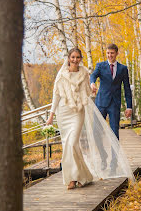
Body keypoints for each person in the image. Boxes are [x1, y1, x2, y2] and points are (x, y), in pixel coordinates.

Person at [46, 47, 133, 190]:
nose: (75, 60)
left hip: (79, 112)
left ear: (80, 59)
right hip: (64, 112)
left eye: (77, 57)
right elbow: (56, 95)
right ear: (68, 58)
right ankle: (76, 177)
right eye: (72, 57)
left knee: (74, 142)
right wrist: (51, 115)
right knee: (69, 145)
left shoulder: (84, 73)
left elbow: (87, 91)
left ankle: (109, 164)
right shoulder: (61, 74)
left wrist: (91, 89)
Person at [90, 44, 132, 171]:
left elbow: (127, 88)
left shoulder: (123, 69)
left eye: (112, 53)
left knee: (114, 133)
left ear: (117, 53)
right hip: (101, 103)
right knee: (96, 132)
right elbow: (93, 75)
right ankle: (103, 157)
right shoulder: (100, 66)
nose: (110, 55)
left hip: (114, 104)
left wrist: (129, 106)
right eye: (108, 53)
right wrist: (92, 83)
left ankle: (114, 162)